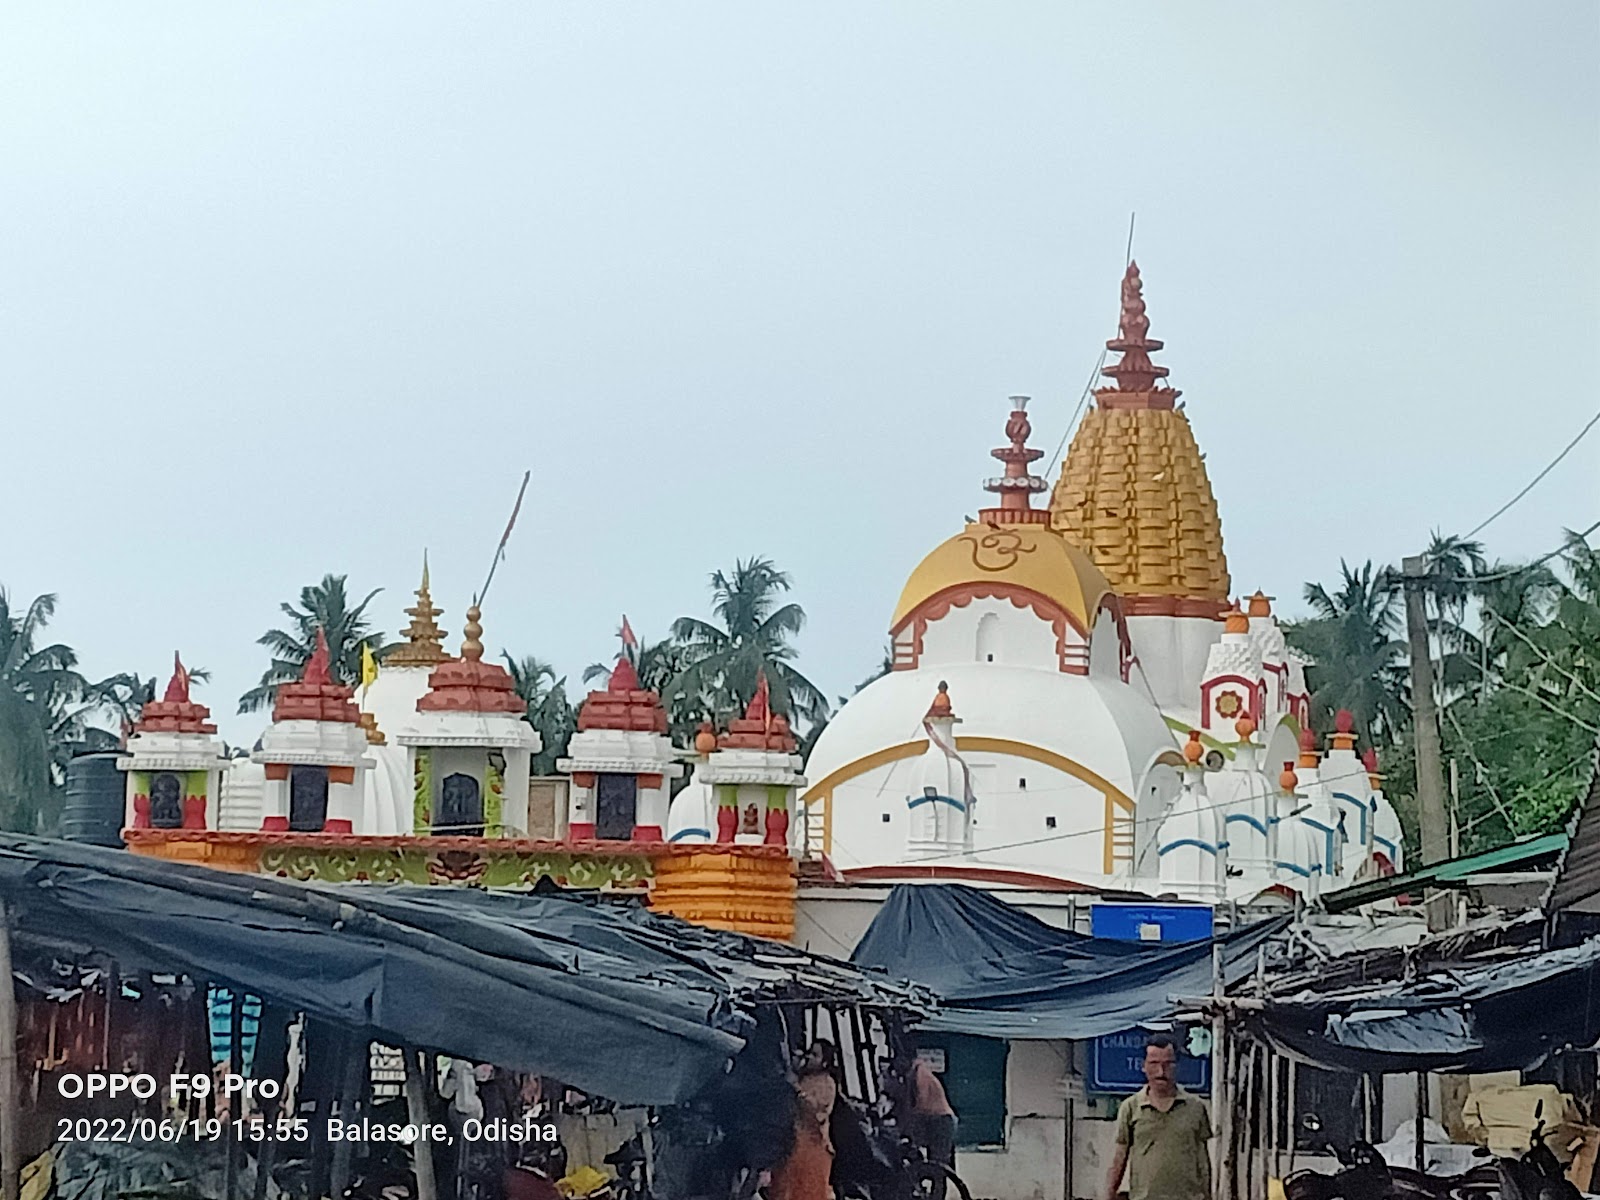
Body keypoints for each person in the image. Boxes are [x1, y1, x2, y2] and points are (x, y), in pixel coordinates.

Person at [1105, 1036, 1213, 1200]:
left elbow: (1203, 1161)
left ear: (1176, 1066)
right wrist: (1109, 1194)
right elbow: (1119, 1158)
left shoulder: (1195, 1108)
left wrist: (1208, 1196)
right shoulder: (1131, 1107)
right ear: (1143, 1066)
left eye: (1168, 1064)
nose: (1161, 1072)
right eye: (1154, 1064)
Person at [770, 1042, 840, 1200]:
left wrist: (796, 1089)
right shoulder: (804, 1078)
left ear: (825, 1062)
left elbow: (816, 1111)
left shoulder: (827, 1083)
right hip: (792, 1143)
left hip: (813, 1147)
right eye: (809, 1053)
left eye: (815, 1055)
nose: (809, 1057)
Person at [907, 1054, 956, 1200]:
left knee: (938, 1165)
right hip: (936, 1120)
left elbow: (921, 1100)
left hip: (940, 1120)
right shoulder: (917, 1072)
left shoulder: (919, 1072)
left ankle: (937, 1197)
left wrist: (910, 1116)